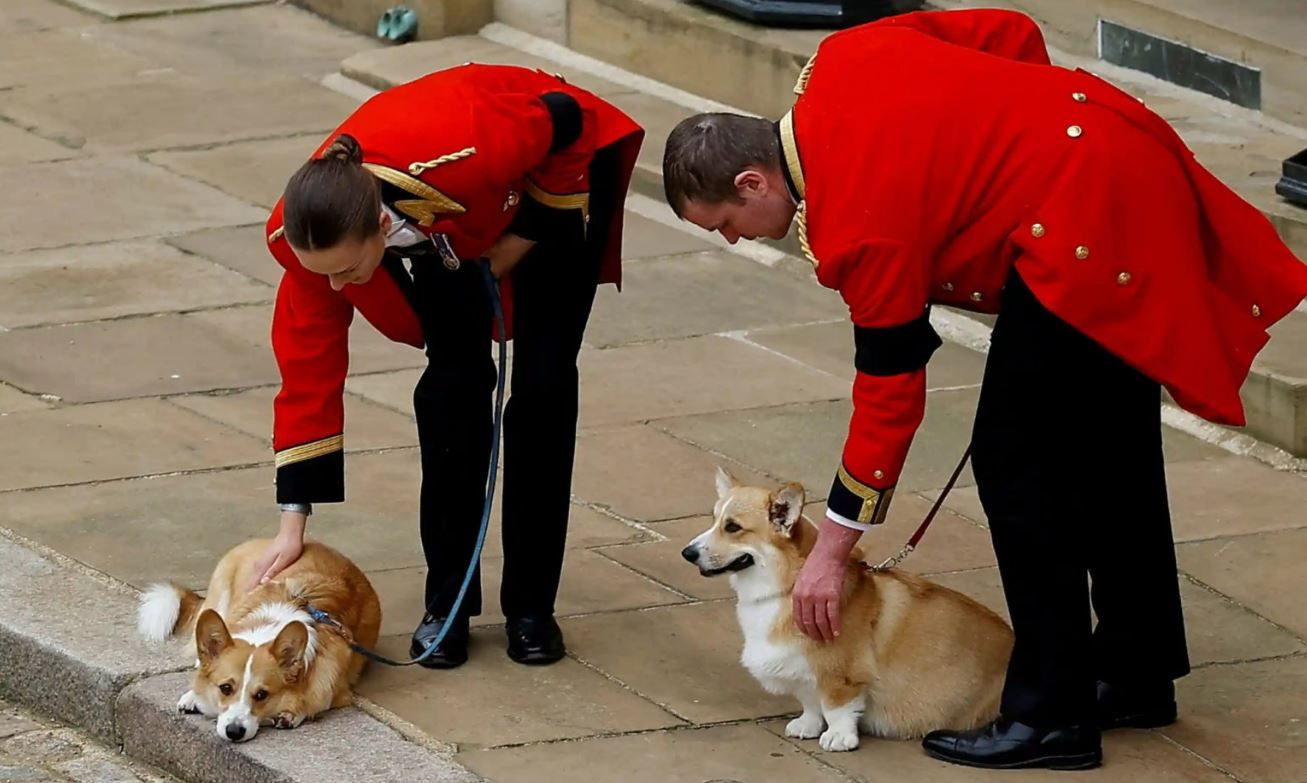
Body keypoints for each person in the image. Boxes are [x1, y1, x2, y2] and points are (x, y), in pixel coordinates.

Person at [660, 7, 1307, 771]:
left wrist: (831, 550)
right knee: (1108, 447)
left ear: (752, 179)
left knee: (1016, 464)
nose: (737, 238)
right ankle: (1134, 670)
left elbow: (890, 396)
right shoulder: (841, 56)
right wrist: (1021, 138)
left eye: (728, 222)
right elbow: (1007, 32)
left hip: (1081, 227)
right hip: (1113, 152)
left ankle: (1051, 714)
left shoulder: (857, 224)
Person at [251, 63, 643, 669]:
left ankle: (532, 609)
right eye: (322, 271)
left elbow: (569, 123)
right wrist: (291, 524)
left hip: (549, 187)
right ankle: (448, 605)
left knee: (543, 387)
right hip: (448, 228)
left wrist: (523, 237)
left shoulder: (469, 148)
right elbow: (306, 375)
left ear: (380, 225)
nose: (332, 285)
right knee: (451, 390)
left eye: (345, 270)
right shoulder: (310, 236)